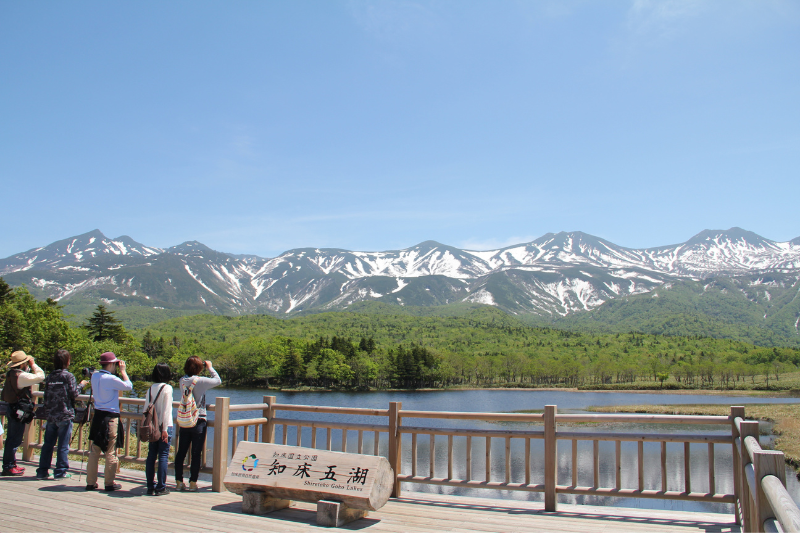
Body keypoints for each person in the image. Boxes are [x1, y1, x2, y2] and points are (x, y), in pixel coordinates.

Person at [36, 349, 88, 480]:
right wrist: (81, 385)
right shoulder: (68, 376)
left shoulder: (50, 376)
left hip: (51, 415)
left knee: (48, 444)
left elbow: (46, 395)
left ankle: (42, 471)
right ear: (67, 361)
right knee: (63, 445)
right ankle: (60, 471)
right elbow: (74, 394)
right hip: (64, 414)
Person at [86, 351, 132, 491]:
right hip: (110, 418)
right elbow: (128, 386)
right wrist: (123, 372)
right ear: (112, 364)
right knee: (110, 451)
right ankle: (109, 483)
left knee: (95, 450)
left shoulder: (95, 376)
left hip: (98, 416)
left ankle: (90, 482)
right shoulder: (111, 379)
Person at [174, 356, 220, 492]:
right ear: (199, 368)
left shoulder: (182, 380)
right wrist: (210, 367)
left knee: (181, 452)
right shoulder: (200, 381)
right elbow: (218, 380)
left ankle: (178, 482)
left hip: (185, 419)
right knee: (196, 453)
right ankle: (193, 483)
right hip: (199, 419)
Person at [2, 350, 45, 476]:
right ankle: (9, 466)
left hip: (11, 408)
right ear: (22, 364)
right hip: (18, 410)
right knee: (14, 439)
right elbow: (41, 376)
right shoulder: (21, 376)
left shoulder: (11, 374)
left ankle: (10, 464)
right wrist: (33, 365)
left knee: (11, 438)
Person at [144, 363, 173, 496]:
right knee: (163, 456)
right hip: (164, 427)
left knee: (151, 456)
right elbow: (166, 410)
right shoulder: (167, 388)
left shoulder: (150, 389)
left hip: (152, 427)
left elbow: (146, 409)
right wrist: (165, 430)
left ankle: (150, 486)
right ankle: (161, 487)